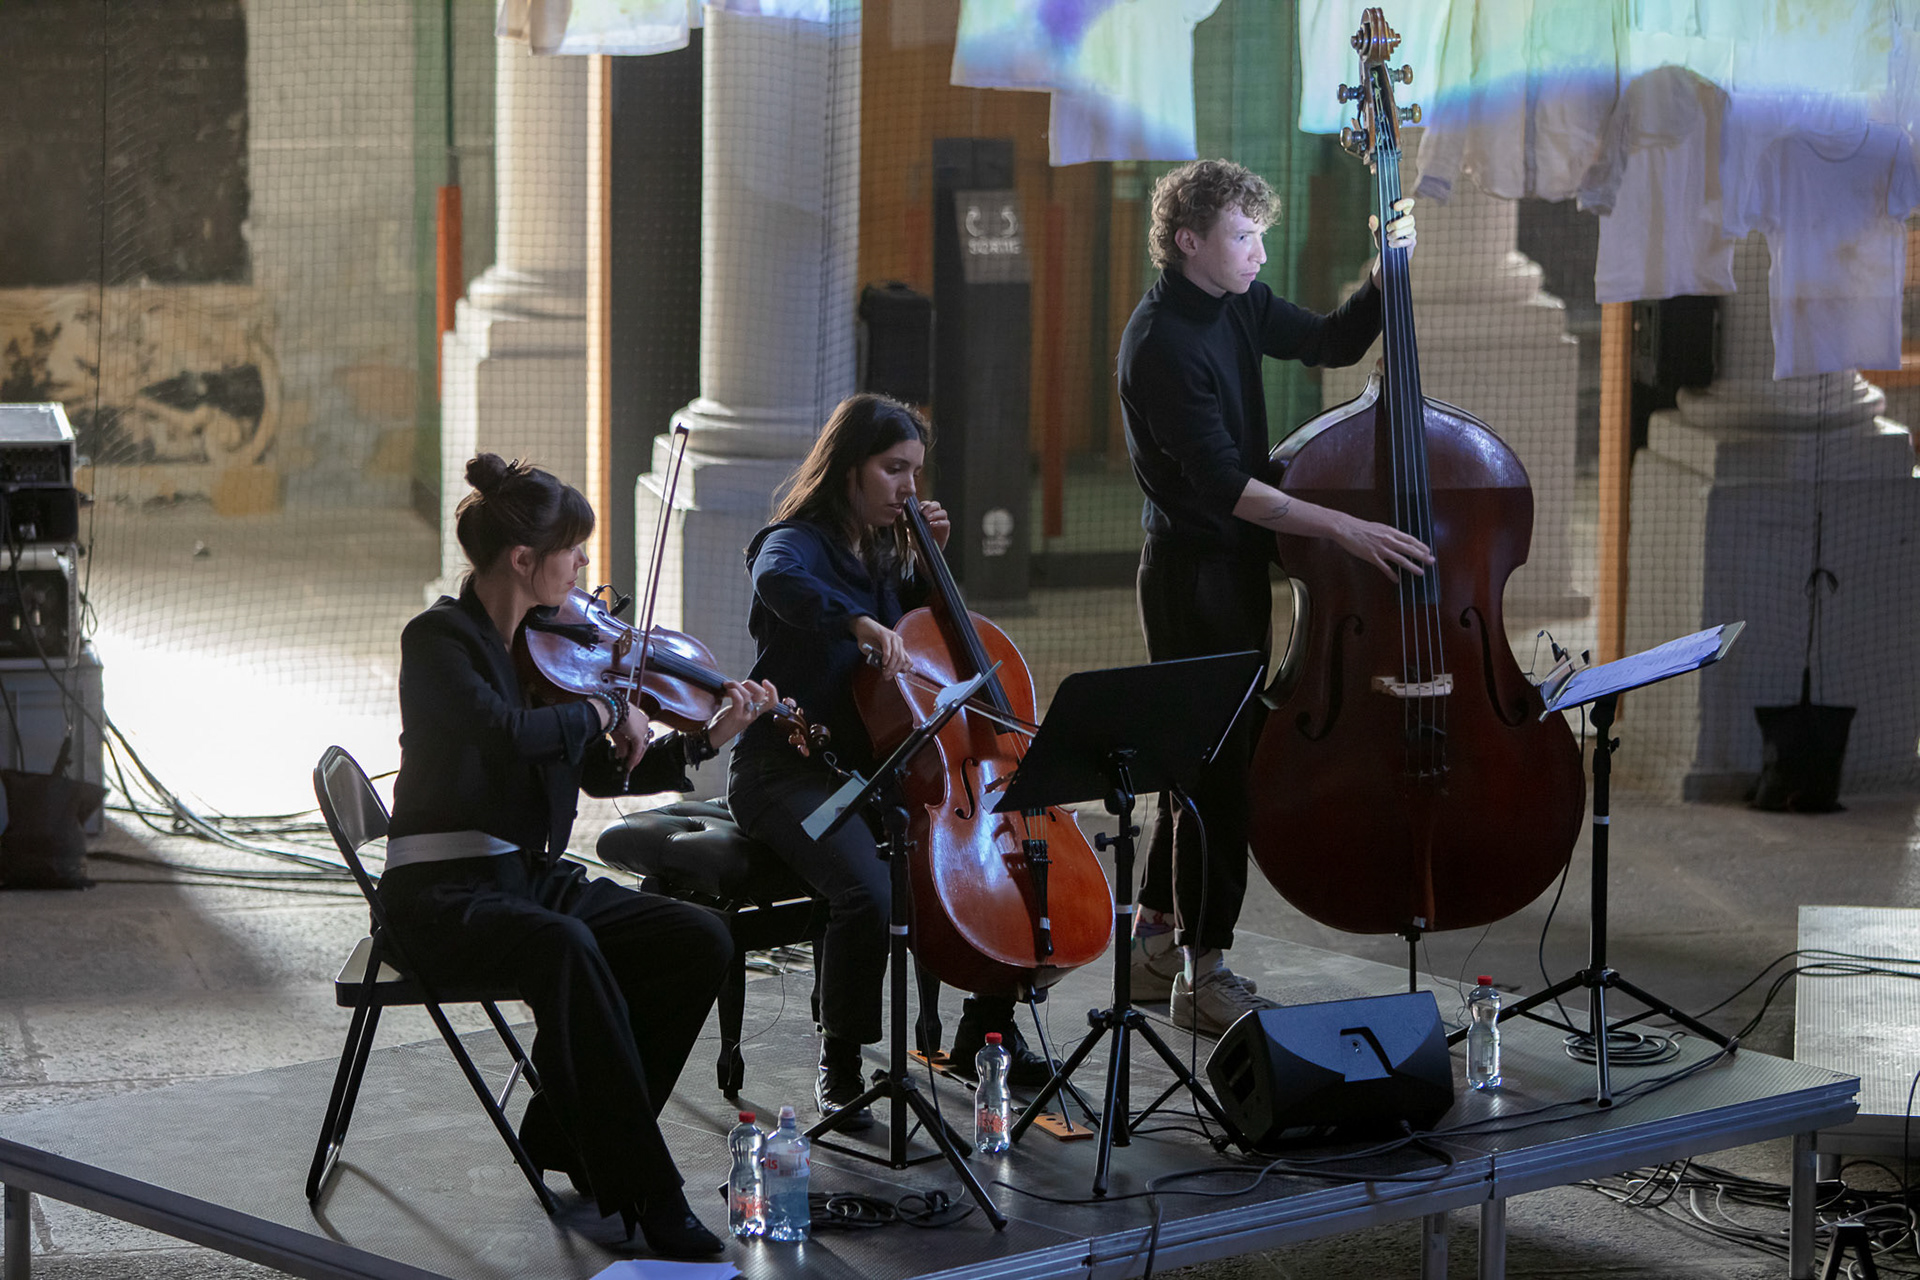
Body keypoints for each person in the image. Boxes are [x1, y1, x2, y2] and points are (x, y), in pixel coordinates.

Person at [379, 453, 777, 1258]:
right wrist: (602, 705)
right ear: (523, 561)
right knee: (566, 947)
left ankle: (565, 1132)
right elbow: (503, 733)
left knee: (700, 939)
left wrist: (700, 739)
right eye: (575, 550)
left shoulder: (542, 646)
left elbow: (598, 771)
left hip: (523, 878)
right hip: (441, 895)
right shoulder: (439, 641)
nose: (588, 567)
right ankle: (647, 1194)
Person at [1118, 158, 1433, 1037]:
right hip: (1191, 580)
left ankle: (1153, 943)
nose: (1261, 251)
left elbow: (1333, 341)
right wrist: (1345, 529)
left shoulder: (1235, 301)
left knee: (1199, 763)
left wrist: (1386, 270)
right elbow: (1228, 487)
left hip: (1234, 569)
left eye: (1261, 233)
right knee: (1219, 777)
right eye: (1244, 237)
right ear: (1190, 243)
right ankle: (1202, 972)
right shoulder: (1161, 345)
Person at [726, 393, 1056, 1127]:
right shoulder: (795, 541)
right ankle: (840, 1063)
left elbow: (940, 644)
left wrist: (928, 564)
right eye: (892, 469)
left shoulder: (888, 550)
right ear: (849, 469)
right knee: (868, 896)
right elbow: (776, 579)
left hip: (880, 771)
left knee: (1000, 869)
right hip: (789, 771)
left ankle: (985, 1036)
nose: (909, 486)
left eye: (915, 471)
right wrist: (858, 621)